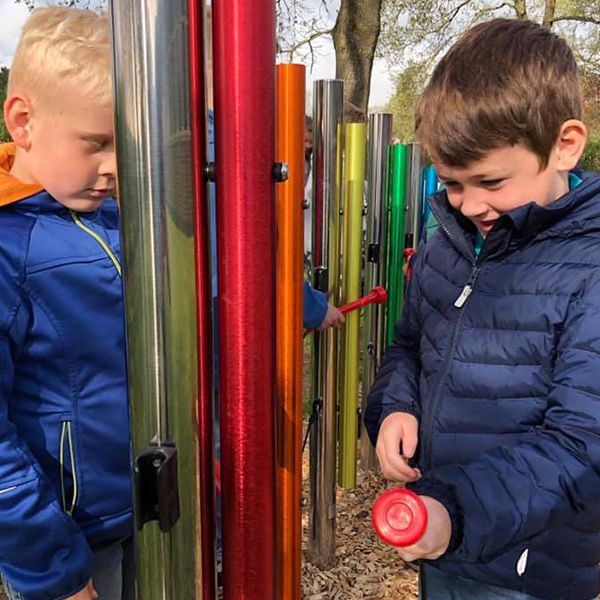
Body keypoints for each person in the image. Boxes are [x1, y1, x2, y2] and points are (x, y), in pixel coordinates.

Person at [365, 18, 600, 600]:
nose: (469, 204)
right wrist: (396, 406)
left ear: (564, 145)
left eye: (489, 181)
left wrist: (457, 511)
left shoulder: (590, 265)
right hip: (446, 537)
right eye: (450, 184)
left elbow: (581, 440)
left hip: (534, 562)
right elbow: (411, 345)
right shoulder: (448, 238)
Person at [0, 8, 132, 600]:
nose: (114, 166)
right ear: (23, 122)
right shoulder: (8, 247)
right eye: (96, 143)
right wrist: (50, 565)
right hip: (68, 534)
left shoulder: (110, 218)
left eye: (125, 144)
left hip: (145, 505)